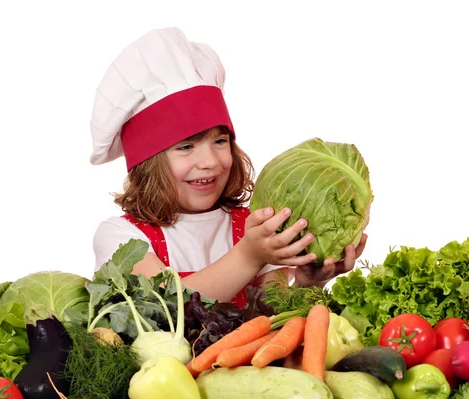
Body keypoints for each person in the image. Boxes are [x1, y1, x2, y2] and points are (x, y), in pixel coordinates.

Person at [90, 28, 367, 308]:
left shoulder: (257, 227)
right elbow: (162, 308)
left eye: (220, 141)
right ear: (147, 163)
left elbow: (273, 317)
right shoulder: (123, 238)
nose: (210, 161)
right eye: (186, 147)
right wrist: (249, 256)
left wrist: (310, 281)